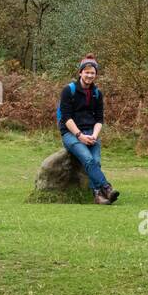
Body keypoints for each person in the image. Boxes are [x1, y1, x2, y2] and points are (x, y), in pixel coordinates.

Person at [58, 55, 119, 205]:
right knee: (88, 159)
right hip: (70, 133)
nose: (90, 75)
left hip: (91, 132)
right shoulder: (68, 90)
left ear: (96, 75)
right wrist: (80, 136)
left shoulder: (97, 93)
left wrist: (94, 135)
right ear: (80, 73)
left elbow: (99, 119)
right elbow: (66, 118)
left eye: (93, 73)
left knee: (96, 161)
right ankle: (106, 187)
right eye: (87, 72)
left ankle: (97, 196)